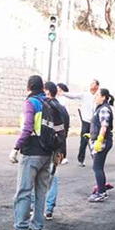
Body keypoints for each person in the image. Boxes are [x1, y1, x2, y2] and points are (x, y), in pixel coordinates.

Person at [4, 75, 53, 230]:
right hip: (48, 154)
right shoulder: (50, 103)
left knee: (24, 192)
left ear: (29, 87)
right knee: (41, 193)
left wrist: (15, 148)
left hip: (31, 152)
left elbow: (27, 128)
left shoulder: (30, 103)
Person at [44, 81, 69, 220]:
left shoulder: (47, 106)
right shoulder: (63, 108)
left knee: (40, 178)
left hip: (47, 147)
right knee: (53, 177)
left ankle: (36, 207)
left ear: (47, 91)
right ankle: (49, 210)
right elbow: (65, 131)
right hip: (59, 147)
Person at [62, 79, 99, 167]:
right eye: (91, 83)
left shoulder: (98, 96)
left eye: (93, 83)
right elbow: (73, 96)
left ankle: (97, 158)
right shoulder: (85, 95)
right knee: (84, 141)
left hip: (95, 122)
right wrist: (63, 93)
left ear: (97, 86)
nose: (91, 85)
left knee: (95, 141)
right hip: (86, 121)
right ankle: (81, 159)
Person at [88, 88, 115, 203]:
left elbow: (104, 126)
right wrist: (91, 135)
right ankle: (101, 187)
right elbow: (97, 125)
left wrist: (99, 140)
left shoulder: (104, 109)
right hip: (100, 141)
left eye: (98, 95)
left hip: (103, 142)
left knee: (97, 167)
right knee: (98, 166)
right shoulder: (99, 108)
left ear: (104, 97)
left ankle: (101, 193)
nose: (96, 97)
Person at [56, 83, 71, 165]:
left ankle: (63, 156)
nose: (56, 90)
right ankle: (59, 156)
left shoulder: (63, 99)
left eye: (58, 88)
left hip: (63, 119)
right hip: (61, 119)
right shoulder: (58, 98)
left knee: (62, 138)